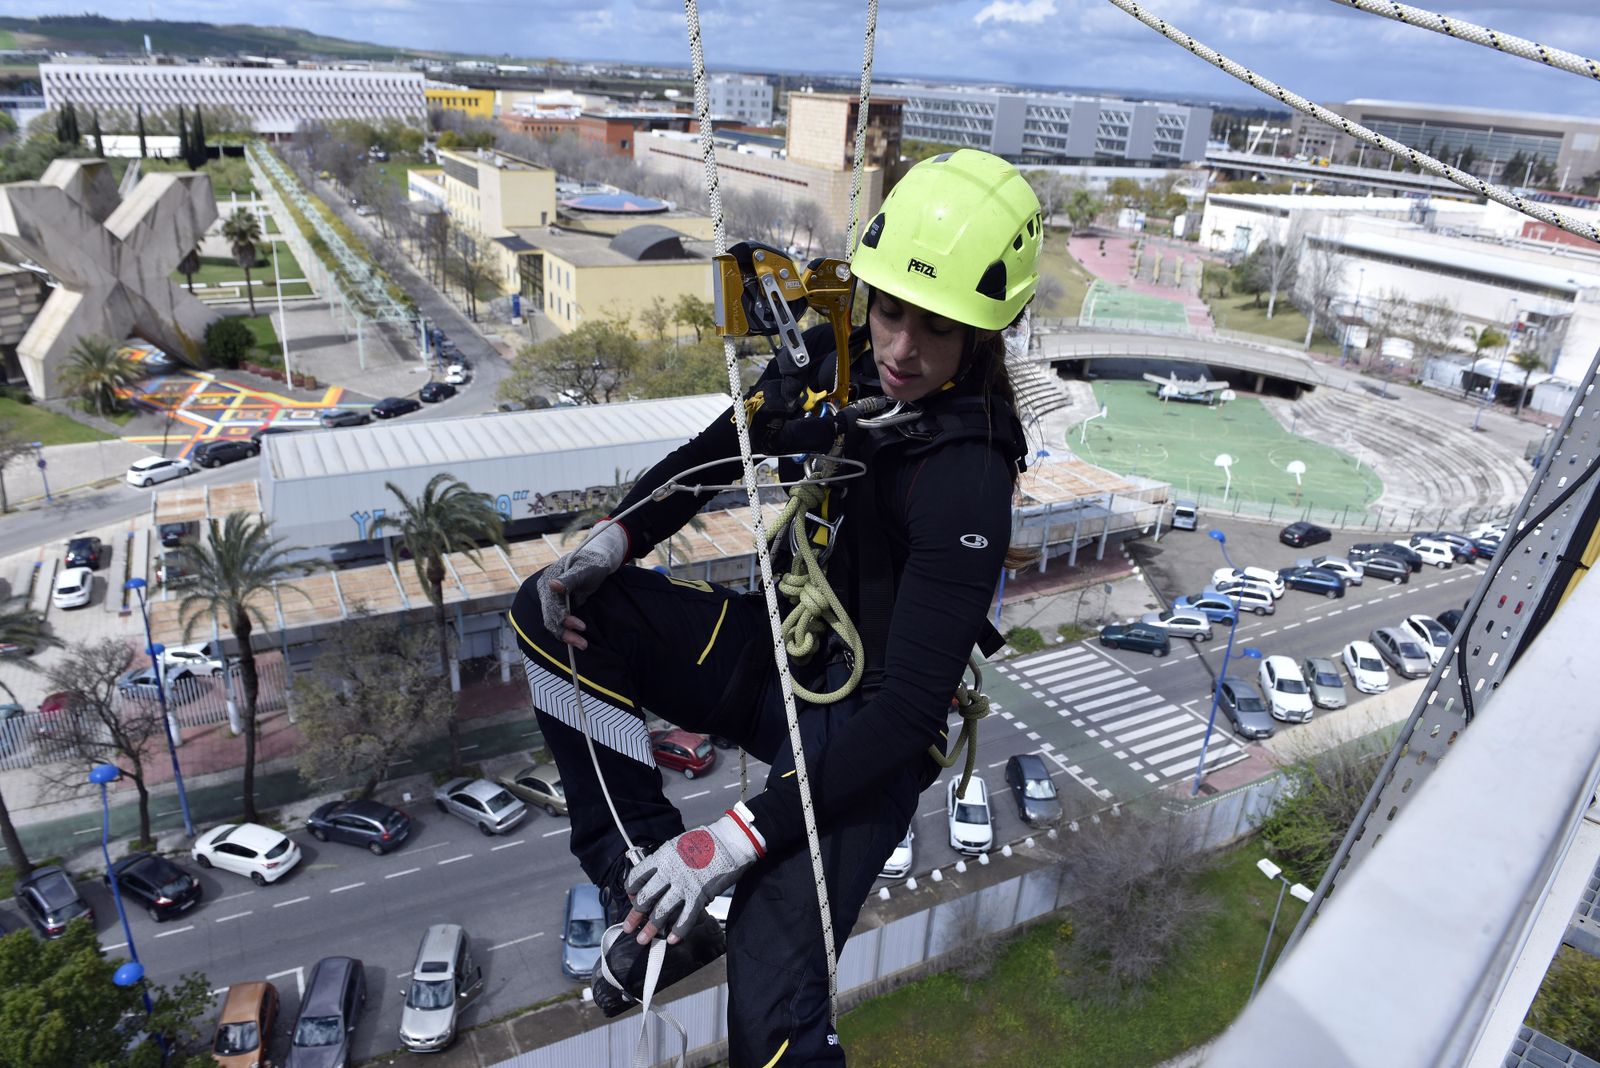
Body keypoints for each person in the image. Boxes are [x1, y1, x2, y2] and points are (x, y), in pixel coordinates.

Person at [507, 148, 1043, 1065]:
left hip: (870, 733)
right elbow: (726, 445)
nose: (900, 349)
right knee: (550, 616)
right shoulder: (842, 357)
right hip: (783, 656)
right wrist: (618, 538)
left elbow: (909, 711)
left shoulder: (968, 480)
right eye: (890, 311)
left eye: (937, 329)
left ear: (984, 336)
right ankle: (647, 900)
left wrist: (731, 839)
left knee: (770, 1011)